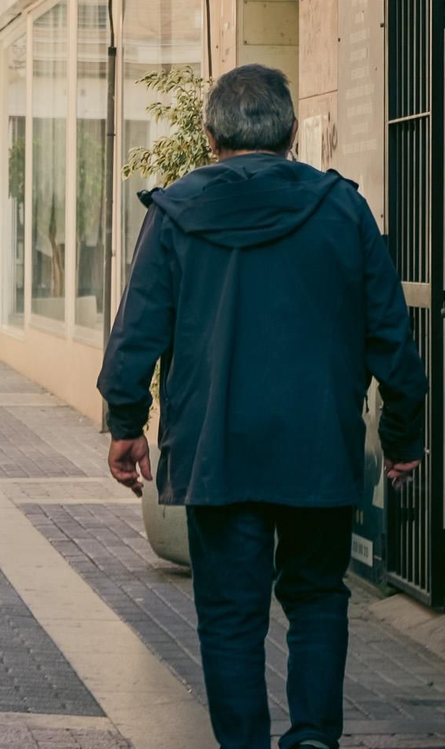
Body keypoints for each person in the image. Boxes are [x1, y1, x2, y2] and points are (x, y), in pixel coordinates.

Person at [98, 64, 426, 749]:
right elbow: (391, 335)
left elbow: (136, 333)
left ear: (209, 135)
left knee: (229, 615)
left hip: (217, 449)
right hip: (318, 445)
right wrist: (401, 436)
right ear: (292, 132)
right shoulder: (342, 209)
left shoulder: (175, 213)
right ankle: (313, 737)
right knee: (317, 596)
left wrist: (127, 426)